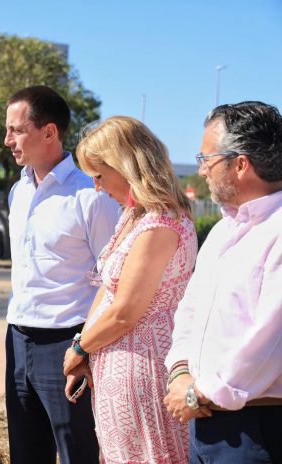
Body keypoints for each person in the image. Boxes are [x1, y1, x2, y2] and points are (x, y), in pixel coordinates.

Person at [62, 116, 197, 463]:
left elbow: (126, 312)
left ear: (125, 167)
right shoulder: (135, 216)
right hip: (117, 364)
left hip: (145, 364)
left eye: (99, 175)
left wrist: (80, 348)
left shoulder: (160, 223)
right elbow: (108, 289)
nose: (96, 187)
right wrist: (86, 346)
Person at [4, 85, 121, 463]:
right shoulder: (17, 192)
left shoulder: (92, 193)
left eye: (16, 130)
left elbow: (113, 277)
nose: (7, 140)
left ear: (49, 132)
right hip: (17, 339)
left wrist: (85, 348)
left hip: (69, 344)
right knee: (25, 452)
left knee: (78, 454)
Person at [164, 101, 282, 463]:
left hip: (254, 429)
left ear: (241, 163)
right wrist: (181, 372)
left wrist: (198, 394)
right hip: (204, 419)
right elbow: (190, 308)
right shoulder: (222, 231)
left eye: (206, 159)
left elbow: (268, 339)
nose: (202, 171)